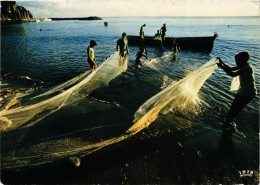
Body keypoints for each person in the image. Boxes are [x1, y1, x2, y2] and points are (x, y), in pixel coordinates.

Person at [217, 51, 257, 134]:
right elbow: (231, 69)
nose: (236, 63)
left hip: (248, 93)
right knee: (235, 108)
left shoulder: (246, 68)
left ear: (242, 60)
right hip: (245, 91)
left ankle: (228, 124)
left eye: (237, 61)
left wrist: (222, 67)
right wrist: (222, 63)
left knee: (235, 108)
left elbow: (232, 74)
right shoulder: (244, 65)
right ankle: (229, 122)